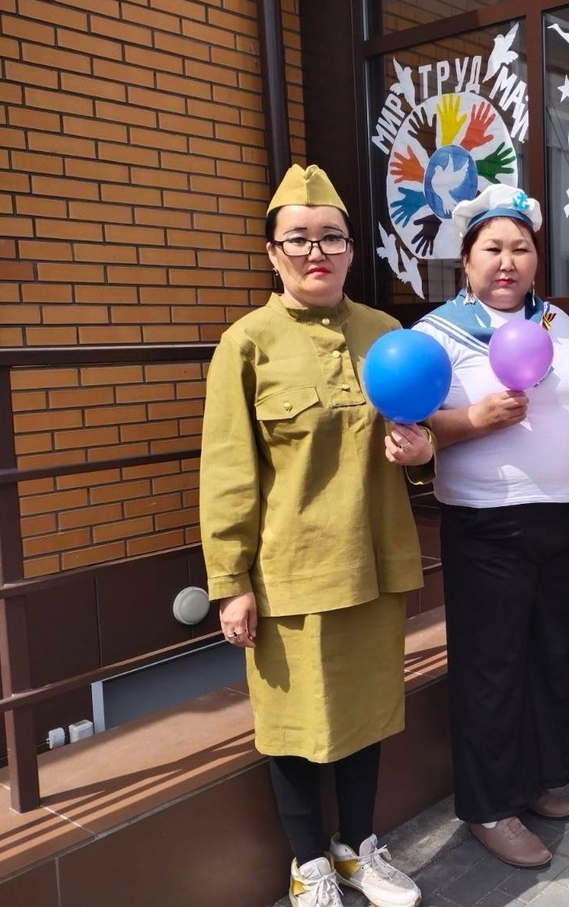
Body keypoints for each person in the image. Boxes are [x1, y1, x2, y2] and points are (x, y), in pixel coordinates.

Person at [200, 164, 431, 907]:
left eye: (331, 237)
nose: (315, 252)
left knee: (366, 713)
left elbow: (417, 433)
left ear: (352, 250)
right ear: (272, 254)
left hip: (373, 561)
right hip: (290, 571)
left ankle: (358, 848)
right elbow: (228, 470)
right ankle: (308, 865)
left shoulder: (385, 334)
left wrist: (421, 450)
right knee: (293, 725)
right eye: (297, 239)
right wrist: (230, 582)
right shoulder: (247, 343)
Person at [414, 184, 569, 868]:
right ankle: (489, 806)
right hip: (486, 523)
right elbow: (407, 428)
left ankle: (536, 779)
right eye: (492, 248)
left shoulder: (559, 322)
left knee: (551, 658)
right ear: (466, 260)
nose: (507, 261)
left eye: (520, 248)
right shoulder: (436, 334)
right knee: (491, 668)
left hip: (566, 515)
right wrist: (473, 420)